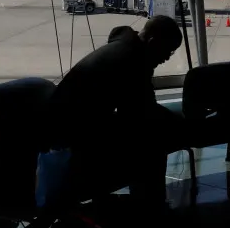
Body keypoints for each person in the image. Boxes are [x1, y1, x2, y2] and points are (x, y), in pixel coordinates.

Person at [45, 15, 185, 208]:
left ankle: (143, 203)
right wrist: (178, 122)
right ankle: (149, 206)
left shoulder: (122, 50)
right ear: (153, 42)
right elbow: (140, 111)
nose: (167, 58)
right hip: (70, 136)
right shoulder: (132, 61)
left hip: (67, 125)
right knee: (152, 141)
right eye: (168, 51)